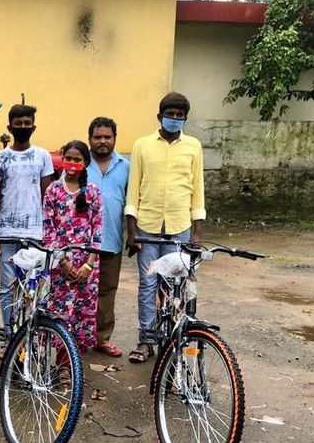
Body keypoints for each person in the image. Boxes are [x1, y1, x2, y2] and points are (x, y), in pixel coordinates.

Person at [124, 92, 205, 363]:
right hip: (147, 230)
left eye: (179, 116)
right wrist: (131, 230)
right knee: (148, 284)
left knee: (176, 286)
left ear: (185, 119)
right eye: (170, 115)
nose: (174, 119)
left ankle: (172, 340)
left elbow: (198, 191)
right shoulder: (142, 146)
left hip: (180, 230)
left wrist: (197, 233)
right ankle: (146, 339)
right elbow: (133, 189)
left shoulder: (193, 146)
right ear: (160, 116)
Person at [0, 104, 53, 356]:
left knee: (33, 287)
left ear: (34, 126)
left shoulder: (42, 156)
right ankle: (10, 337)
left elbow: (48, 196)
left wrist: (48, 233)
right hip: (6, 233)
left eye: (27, 123)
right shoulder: (0, 158)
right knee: (8, 287)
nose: (23, 127)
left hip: (36, 234)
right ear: (9, 127)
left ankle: (31, 338)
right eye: (18, 123)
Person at [42, 140, 102, 352]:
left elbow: (98, 230)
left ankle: (74, 363)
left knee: (82, 313)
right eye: (68, 158)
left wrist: (88, 265)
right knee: (61, 312)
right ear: (62, 159)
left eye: (77, 160)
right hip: (61, 263)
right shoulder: (53, 190)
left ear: (85, 162)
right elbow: (48, 229)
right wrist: (63, 262)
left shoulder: (93, 192)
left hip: (87, 265)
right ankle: (61, 361)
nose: (72, 163)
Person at [86, 117, 130, 357]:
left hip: (111, 238)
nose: (102, 141)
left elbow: (132, 201)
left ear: (114, 138)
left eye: (107, 136)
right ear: (89, 139)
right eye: (97, 137)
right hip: (83, 242)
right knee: (80, 290)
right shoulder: (80, 164)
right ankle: (77, 338)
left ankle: (102, 337)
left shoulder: (126, 166)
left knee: (107, 290)